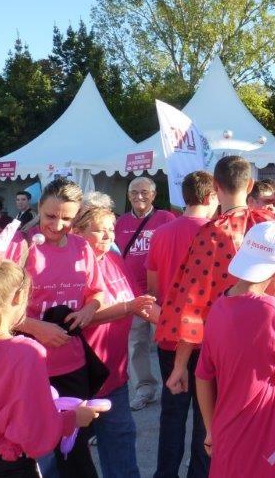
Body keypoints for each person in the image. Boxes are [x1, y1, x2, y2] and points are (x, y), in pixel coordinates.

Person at [154, 156, 275, 408]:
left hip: (223, 346)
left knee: (216, 421)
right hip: (267, 340)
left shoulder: (213, 232)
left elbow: (192, 304)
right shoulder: (270, 225)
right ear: (250, 184)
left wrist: (180, 364)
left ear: (215, 186)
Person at [195, 221, 275, 477]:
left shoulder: (219, 306)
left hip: (225, 435)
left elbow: (203, 376)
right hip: (265, 441)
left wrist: (210, 428)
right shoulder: (268, 309)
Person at [16, 178, 105, 477]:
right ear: (39, 208)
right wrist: (35, 327)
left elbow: (97, 291)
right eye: (50, 216)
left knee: (75, 453)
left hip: (71, 366)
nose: (57, 225)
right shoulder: (20, 247)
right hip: (29, 367)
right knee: (28, 451)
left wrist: (89, 309)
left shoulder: (82, 247)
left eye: (67, 218)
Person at [0, 259, 100, 477]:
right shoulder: (25, 353)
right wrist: (73, 419)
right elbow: (34, 434)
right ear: (18, 297)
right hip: (7, 466)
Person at [72, 200, 158, 478]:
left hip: (114, 375)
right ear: (78, 232)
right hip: (81, 377)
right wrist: (127, 308)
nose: (109, 236)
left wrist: (177, 328)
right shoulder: (72, 267)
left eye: (111, 229)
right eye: (100, 230)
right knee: (71, 454)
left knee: (121, 442)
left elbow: (139, 302)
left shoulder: (113, 258)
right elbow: (77, 319)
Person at [146, 170, 217, 478]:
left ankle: (165, 473)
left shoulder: (161, 233)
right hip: (208, 338)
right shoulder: (217, 234)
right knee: (205, 416)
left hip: (169, 336)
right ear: (210, 196)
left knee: (172, 414)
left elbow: (153, 289)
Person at [116, 176, 176, 411]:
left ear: (153, 195)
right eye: (133, 192)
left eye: (144, 192)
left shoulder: (166, 219)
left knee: (169, 342)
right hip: (133, 294)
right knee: (136, 344)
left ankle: (176, 386)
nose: (138, 196)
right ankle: (144, 389)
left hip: (162, 294)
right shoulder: (121, 222)